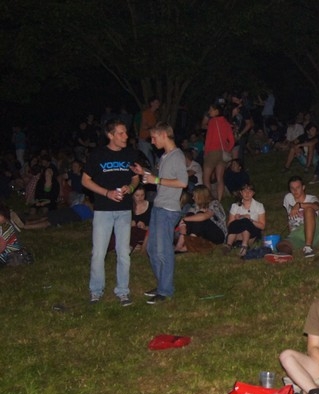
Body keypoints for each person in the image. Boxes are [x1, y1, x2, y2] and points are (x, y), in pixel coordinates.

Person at [81, 119, 141, 306]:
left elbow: (136, 178)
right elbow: (85, 180)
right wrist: (107, 193)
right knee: (99, 253)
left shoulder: (130, 154)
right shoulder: (97, 155)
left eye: (126, 132)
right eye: (121, 133)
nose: (126, 136)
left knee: (123, 252)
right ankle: (96, 291)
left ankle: (123, 291)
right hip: (103, 210)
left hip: (124, 211)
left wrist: (131, 188)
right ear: (110, 135)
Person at [137, 122, 188, 304]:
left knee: (163, 250)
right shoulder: (165, 156)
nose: (152, 141)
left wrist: (156, 180)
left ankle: (165, 290)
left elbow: (183, 182)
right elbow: (160, 179)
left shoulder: (177, 156)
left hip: (168, 209)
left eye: (154, 137)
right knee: (152, 249)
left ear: (164, 135)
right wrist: (144, 173)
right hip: (159, 207)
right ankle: (162, 285)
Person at [175, 185, 227, 251]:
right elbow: (186, 220)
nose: (193, 198)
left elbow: (204, 216)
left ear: (200, 196)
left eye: (194, 196)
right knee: (190, 215)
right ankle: (179, 246)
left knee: (199, 216)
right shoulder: (194, 206)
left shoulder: (214, 203)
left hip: (218, 235)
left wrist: (184, 219)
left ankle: (189, 245)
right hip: (203, 235)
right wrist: (183, 226)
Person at [282, 176, 319, 258]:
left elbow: (317, 206)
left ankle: (308, 247)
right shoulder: (288, 198)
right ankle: (284, 256)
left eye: (298, 187)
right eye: (292, 188)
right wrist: (291, 233)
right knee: (281, 245)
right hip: (297, 234)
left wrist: (299, 205)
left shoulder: (311, 198)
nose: (295, 191)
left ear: (303, 187)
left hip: (313, 232)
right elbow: (290, 218)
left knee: (309, 209)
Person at [202, 102, 235, 200]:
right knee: (220, 178)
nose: (209, 112)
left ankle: (209, 200)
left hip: (212, 152)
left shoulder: (212, 122)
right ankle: (219, 200)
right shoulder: (226, 122)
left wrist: (206, 152)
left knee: (206, 177)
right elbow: (232, 140)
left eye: (211, 110)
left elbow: (209, 139)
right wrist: (227, 149)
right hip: (223, 153)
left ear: (217, 111)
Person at [224, 183, 265, 256]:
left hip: (252, 231)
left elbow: (262, 226)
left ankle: (244, 245)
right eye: (245, 191)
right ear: (241, 192)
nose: (247, 193)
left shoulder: (259, 206)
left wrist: (250, 220)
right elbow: (230, 224)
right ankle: (229, 245)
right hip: (237, 232)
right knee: (239, 221)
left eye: (250, 191)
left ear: (253, 193)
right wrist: (238, 218)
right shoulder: (235, 206)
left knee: (246, 221)